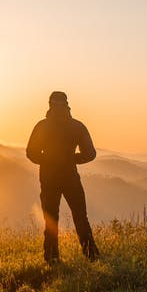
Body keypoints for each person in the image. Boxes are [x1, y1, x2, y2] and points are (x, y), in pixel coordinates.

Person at [26, 91, 99, 263]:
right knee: (80, 217)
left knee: (51, 219)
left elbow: (31, 153)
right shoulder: (77, 126)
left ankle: (52, 258)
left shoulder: (42, 126)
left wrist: (48, 160)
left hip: (48, 178)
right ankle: (92, 256)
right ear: (67, 104)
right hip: (70, 177)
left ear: (50, 104)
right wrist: (71, 159)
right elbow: (90, 154)